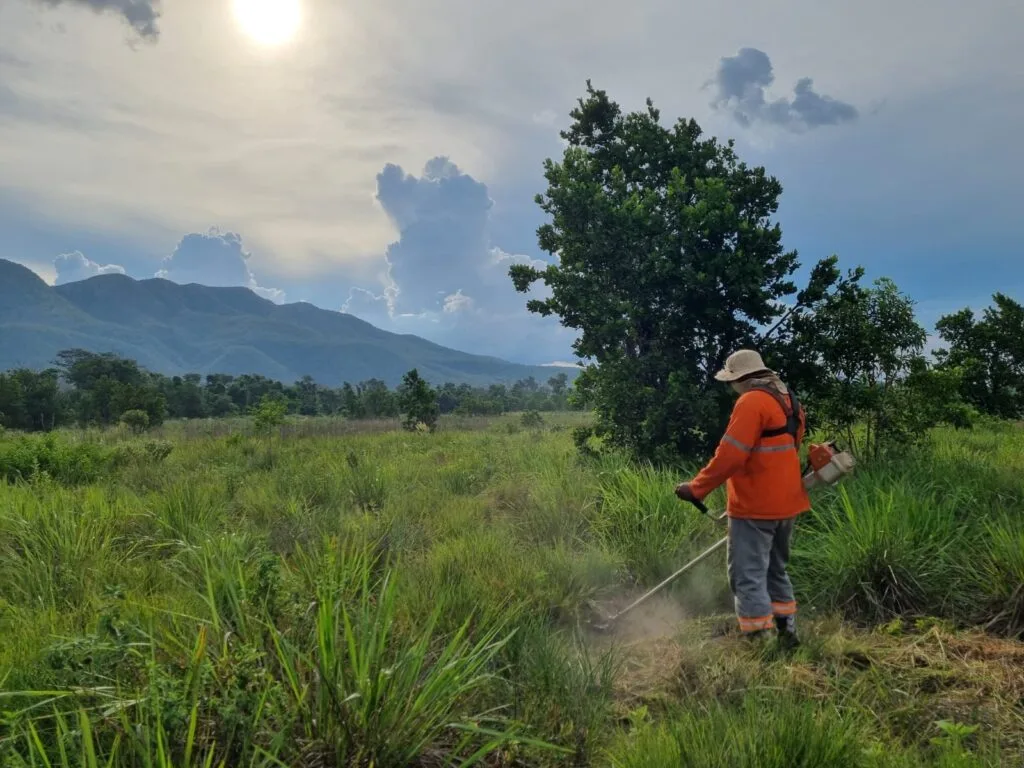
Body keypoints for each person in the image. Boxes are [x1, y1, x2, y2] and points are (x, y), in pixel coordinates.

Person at [674, 349, 810, 646]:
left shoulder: (751, 401)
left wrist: (696, 488)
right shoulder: (788, 399)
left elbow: (731, 455)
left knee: (747, 575)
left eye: (731, 381)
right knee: (776, 570)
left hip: (756, 506)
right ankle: (787, 632)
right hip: (788, 503)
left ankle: (759, 640)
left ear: (741, 379)